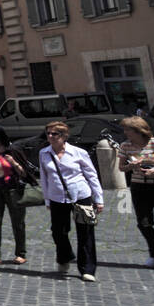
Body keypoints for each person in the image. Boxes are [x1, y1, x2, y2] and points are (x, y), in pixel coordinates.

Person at [39, 121, 104, 282]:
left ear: (64, 136)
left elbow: (91, 175)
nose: (51, 136)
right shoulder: (44, 153)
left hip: (80, 194)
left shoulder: (78, 152)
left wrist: (98, 198)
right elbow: (44, 178)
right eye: (48, 133)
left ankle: (87, 269)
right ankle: (64, 256)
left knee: (85, 232)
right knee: (58, 231)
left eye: (55, 134)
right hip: (57, 197)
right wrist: (47, 200)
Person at [116, 116, 154, 273]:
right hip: (139, 188)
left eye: (127, 129)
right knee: (144, 223)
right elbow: (121, 168)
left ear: (138, 130)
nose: (125, 132)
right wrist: (131, 165)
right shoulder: (125, 146)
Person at [0, 125, 35, 265]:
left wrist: (14, 163)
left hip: (13, 190)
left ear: (0, 135)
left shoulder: (13, 150)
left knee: (18, 222)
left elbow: (24, 173)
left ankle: (20, 253)